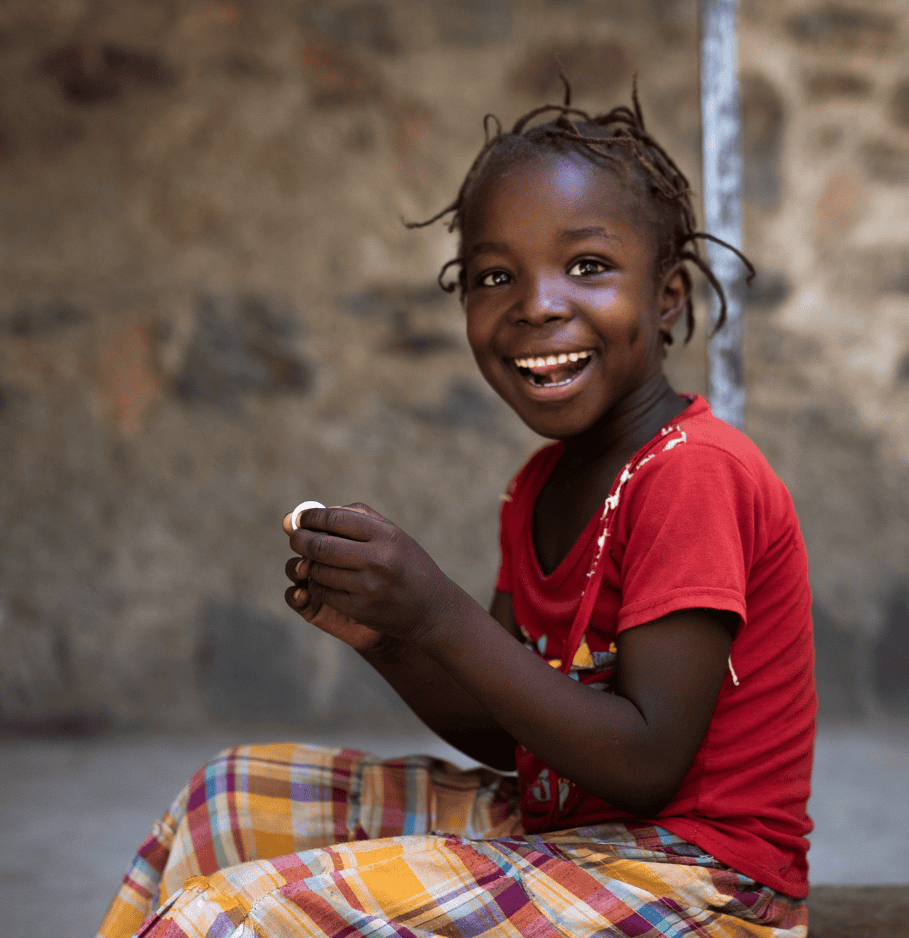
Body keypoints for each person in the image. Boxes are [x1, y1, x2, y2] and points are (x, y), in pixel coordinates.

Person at [97, 86, 816, 938]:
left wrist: (439, 613)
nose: (536, 304)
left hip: (702, 888)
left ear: (665, 299)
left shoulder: (693, 473)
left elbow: (646, 760)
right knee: (230, 798)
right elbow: (512, 734)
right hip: (577, 841)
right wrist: (390, 637)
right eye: (494, 276)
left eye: (586, 265)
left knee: (240, 916)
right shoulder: (538, 486)